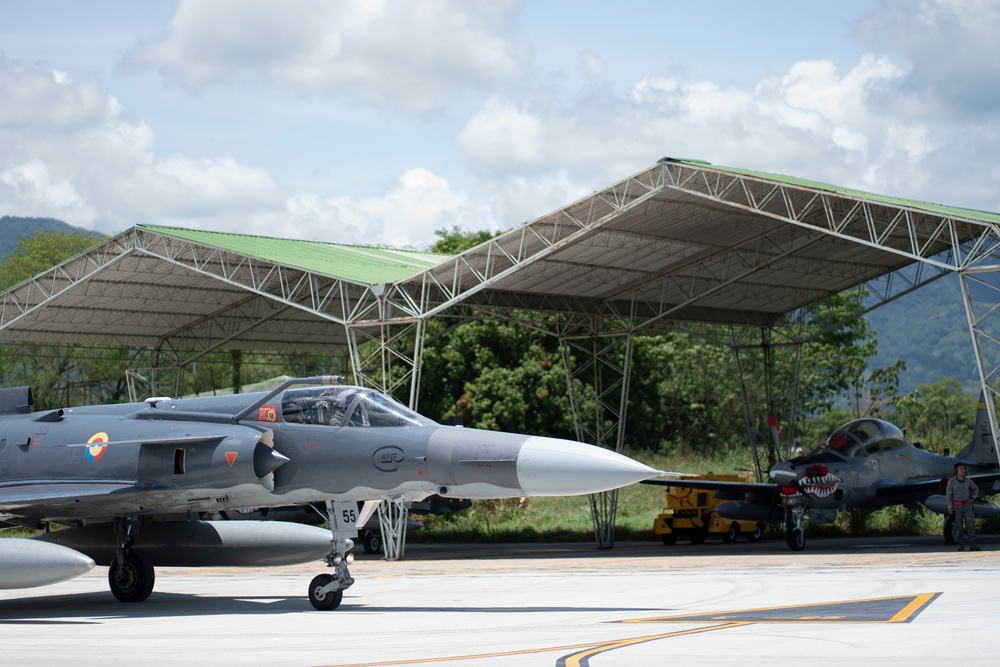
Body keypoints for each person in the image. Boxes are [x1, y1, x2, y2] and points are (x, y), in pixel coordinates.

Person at [946, 463, 980, 551]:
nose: (962, 470)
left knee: (970, 524)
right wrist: (949, 506)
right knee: (958, 526)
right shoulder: (951, 481)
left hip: (967, 506)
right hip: (956, 506)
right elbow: (948, 494)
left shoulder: (968, 480)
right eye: (960, 469)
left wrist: (972, 498)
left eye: (964, 469)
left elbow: (976, 489)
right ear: (956, 471)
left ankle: (972, 544)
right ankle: (961, 544)